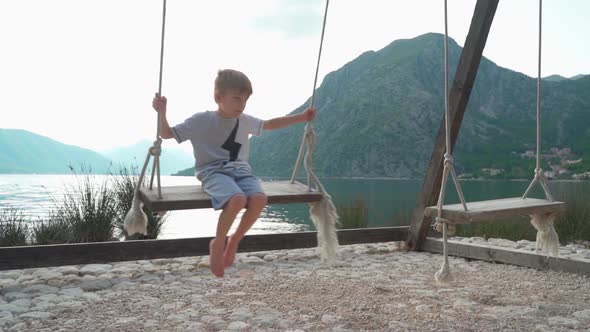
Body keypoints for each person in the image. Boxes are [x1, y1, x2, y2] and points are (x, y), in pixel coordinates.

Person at [152, 69, 316, 277]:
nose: (241, 105)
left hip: (241, 172)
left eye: (245, 100)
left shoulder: (244, 120)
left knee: (259, 199)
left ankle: (234, 240)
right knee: (237, 199)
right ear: (218, 97)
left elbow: (270, 124)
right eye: (236, 99)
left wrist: (301, 117)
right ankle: (218, 244)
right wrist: (162, 112)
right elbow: (166, 134)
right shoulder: (201, 120)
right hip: (213, 172)